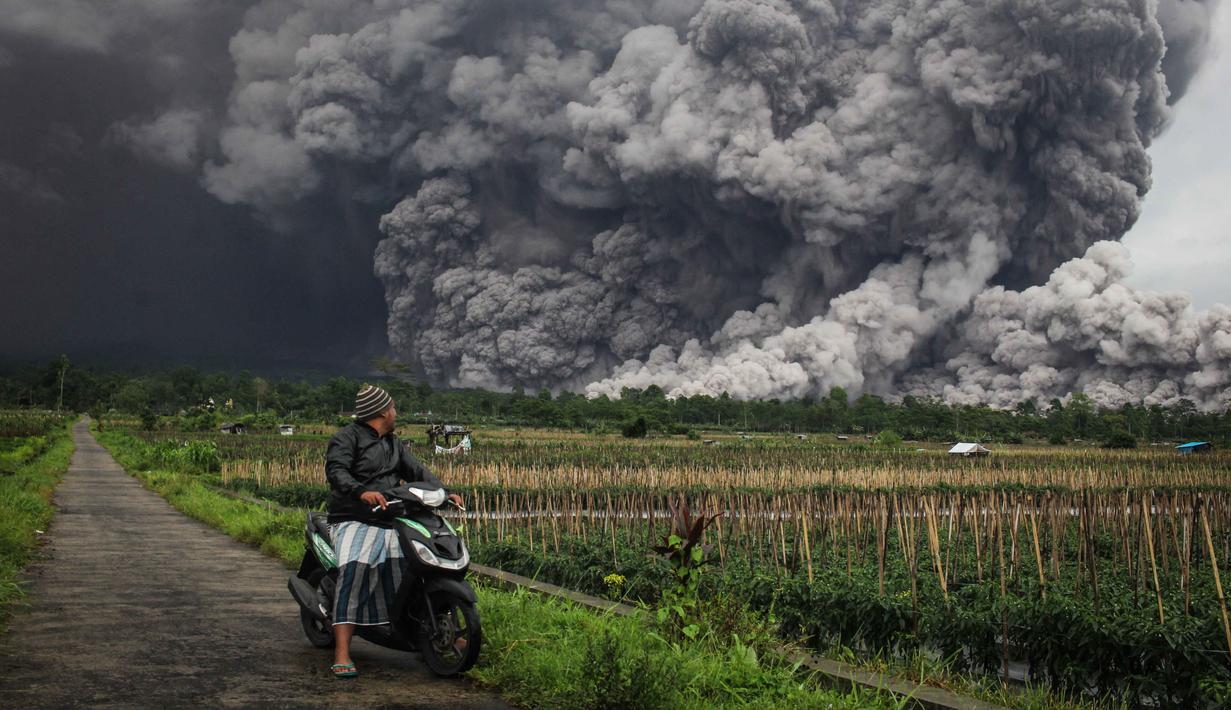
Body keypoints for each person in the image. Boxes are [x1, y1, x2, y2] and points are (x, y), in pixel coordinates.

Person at [324, 384, 463, 678]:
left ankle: (424, 629)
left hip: (390, 515)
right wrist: (361, 492)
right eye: (394, 408)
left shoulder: (393, 443)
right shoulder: (346, 438)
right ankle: (342, 651)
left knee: (414, 565)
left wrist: (445, 491)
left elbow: (418, 471)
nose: (396, 412)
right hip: (353, 517)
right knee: (355, 567)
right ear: (383, 412)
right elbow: (337, 472)